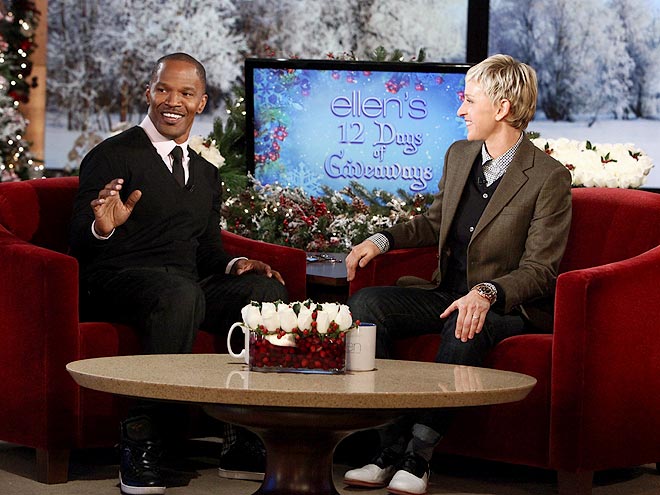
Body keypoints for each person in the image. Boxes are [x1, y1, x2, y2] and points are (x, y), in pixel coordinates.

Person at [342, 54, 572, 495]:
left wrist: (485, 293)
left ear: (502, 107)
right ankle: (388, 448)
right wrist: (381, 240)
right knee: (367, 305)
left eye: (469, 100)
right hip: (445, 291)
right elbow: (435, 222)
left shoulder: (548, 177)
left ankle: (419, 456)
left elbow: (541, 271)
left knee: (465, 323)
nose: (461, 110)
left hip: (506, 306)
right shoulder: (460, 154)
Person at [69, 53, 287, 495]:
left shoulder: (205, 171)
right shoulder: (112, 155)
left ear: (200, 102)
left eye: (186, 93)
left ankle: (241, 434)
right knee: (179, 295)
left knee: (263, 292)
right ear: (149, 93)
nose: (173, 101)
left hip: (184, 281)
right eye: (164, 89)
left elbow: (206, 248)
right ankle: (141, 441)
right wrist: (102, 226)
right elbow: (78, 241)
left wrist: (235, 265)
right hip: (117, 278)